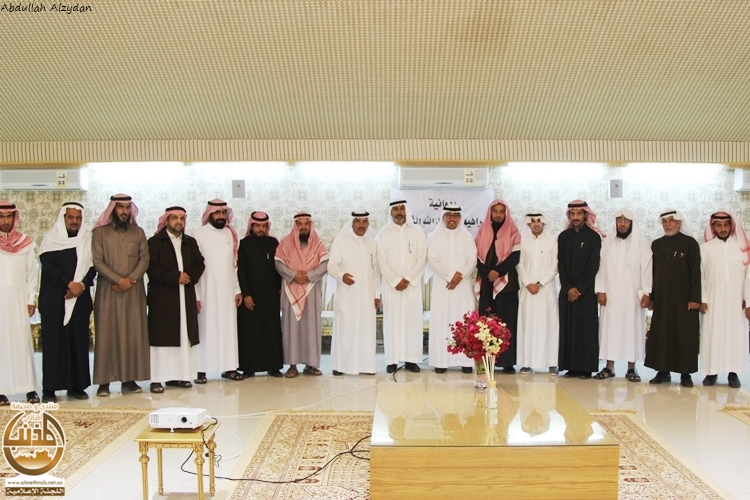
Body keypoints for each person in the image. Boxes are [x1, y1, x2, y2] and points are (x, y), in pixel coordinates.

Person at [92, 194, 150, 396]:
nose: (124, 211)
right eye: (120, 207)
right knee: (107, 335)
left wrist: (129, 280)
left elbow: (145, 259)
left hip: (133, 292)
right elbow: (97, 261)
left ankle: (129, 380)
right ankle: (104, 382)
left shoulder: (138, 232)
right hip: (109, 291)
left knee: (133, 334)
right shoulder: (100, 233)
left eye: (127, 208)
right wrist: (118, 280)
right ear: (112, 209)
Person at [38, 202, 96, 403]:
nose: (74, 221)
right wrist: (69, 284)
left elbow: (93, 267)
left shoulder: (86, 239)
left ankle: (76, 386)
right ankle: (50, 388)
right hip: (55, 299)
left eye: (78, 218)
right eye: (71, 217)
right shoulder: (51, 239)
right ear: (63, 218)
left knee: (78, 342)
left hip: (80, 298)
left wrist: (81, 285)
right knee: (54, 344)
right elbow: (48, 266)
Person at [147, 207, 205, 393]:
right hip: (163, 299)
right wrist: (175, 277)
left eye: (182, 218)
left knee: (183, 336)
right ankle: (157, 379)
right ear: (166, 220)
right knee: (162, 338)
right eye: (174, 218)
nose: (179, 222)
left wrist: (188, 276)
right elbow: (151, 268)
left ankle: (180, 376)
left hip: (185, 296)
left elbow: (200, 263)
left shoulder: (190, 242)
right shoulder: (155, 242)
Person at [594, 209, 652, 382]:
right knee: (609, 330)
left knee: (631, 331)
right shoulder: (607, 243)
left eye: (626, 220)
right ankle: (609, 367)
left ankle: (631, 368)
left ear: (632, 223)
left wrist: (646, 292)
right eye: (619, 220)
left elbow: (647, 268)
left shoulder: (642, 243)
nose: (622, 223)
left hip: (632, 296)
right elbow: (601, 268)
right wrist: (601, 290)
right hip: (611, 295)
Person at [646, 209, 701, 388]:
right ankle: (663, 372)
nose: (668, 224)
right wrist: (651, 297)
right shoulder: (656, 245)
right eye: (665, 221)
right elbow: (651, 273)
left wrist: (695, 298)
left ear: (679, 223)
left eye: (671, 220)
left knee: (685, 336)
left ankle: (686, 374)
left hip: (684, 300)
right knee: (663, 335)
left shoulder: (690, 244)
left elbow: (695, 272)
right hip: (662, 299)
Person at [376, 200, 428, 374]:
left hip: (411, 286)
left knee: (412, 322)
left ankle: (411, 360)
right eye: (395, 209)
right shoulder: (383, 234)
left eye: (401, 208)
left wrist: (408, 279)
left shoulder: (417, 232)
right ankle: (392, 360)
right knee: (392, 323)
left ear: (407, 211)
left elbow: (422, 257)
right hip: (391, 286)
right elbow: (381, 260)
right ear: (391, 212)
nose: (399, 212)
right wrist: (395, 280)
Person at [275, 212, 329, 378]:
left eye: (306, 224)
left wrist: (308, 276)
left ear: (310, 225)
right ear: (295, 225)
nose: (303, 227)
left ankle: (311, 365)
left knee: (311, 328)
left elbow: (325, 264)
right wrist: (294, 275)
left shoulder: (318, 244)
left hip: (311, 290)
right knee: (292, 329)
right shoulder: (285, 243)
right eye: (300, 224)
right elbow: (278, 263)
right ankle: (292, 365)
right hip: (291, 290)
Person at [194, 199, 242, 383]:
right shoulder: (199, 234)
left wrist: (237, 290)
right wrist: (196, 295)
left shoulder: (230, 233)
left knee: (228, 329)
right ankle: (201, 370)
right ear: (210, 214)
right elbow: (194, 266)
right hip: (206, 290)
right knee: (206, 328)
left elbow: (233, 265)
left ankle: (229, 368)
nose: (221, 216)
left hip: (227, 291)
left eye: (224, 212)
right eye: (217, 213)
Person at [327, 210, 380, 376]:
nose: (361, 225)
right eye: (358, 221)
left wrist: (377, 295)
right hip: (348, 295)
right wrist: (342, 275)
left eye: (364, 222)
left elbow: (376, 272)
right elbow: (331, 267)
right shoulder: (342, 243)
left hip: (367, 297)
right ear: (352, 223)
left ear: (368, 224)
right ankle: (341, 366)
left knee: (366, 330)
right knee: (346, 330)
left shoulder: (371, 244)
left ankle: (366, 366)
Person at [700, 212, 748, 388]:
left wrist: (748, 300)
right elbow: (700, 275)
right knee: (713, 334)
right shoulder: (706, 248)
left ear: (731, 226)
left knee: (735, 336)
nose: (722, 228)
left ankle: (733, 373)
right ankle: (711, 372)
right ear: (713, 227)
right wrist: (703, 298)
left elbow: (748, 276)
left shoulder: (741, 247)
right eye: (718, 225)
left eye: (726, 225)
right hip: (712, 301)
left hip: (737, 301)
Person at [426, 204, 476, 374]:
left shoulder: (468, 237)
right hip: (443, 286)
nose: (452, 218)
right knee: (442, 321)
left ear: (460, 218)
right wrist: (450, 276)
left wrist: (459, 277)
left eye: (455, 215)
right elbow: (432, 260)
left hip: (463, 286)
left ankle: (465, 361)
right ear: (443, 217)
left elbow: (472, 260)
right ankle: (441, 361)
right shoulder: (435, 237)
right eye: (449, 215)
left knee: (464, 320)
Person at [557, 200, 603, 379]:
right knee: (568, 329)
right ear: (569, 216)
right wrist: (568, 288)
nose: (576, 217)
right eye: (573, 214)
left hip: (586, 293)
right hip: (567, 292)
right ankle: (570, 366)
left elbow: (593, 266)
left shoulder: (594, 238)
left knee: (586, 330)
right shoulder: (563, 237)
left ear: (585, 215)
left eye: (579, 213)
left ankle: (586, 368)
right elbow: (561, 265)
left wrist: (579, 289)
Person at [0, 201, 40, 405]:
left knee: (22, 344)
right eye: (1, 217)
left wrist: (30, 299)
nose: (5, 221)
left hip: (19, 300)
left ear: (14, 218)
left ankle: (30, 389)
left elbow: (32, 273)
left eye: (9, 216)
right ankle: (1, 391)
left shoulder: (25, 242)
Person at [476, 200, 521, 373]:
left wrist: (498, 272)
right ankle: (488, 361)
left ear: (506, 214)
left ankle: (507, 362)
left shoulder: (514, 232)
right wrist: (487, 272)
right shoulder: (482, 232)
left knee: (506, 324)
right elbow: (476, 258)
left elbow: (515, 257)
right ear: (490, 213)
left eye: (502, 211)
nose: (498, 215)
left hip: (506, 286)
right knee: (487, 324)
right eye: (495, 211)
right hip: (487, 285)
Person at [237, 211, 283, 378]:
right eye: (257, 226)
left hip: (270, 295)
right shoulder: (244, 244)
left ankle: (273, 366)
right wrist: (246, 294)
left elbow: (278, 269)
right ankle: (248, 368)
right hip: (251, 295)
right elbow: (241, 271)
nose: (261, 229)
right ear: (252, 226)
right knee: (249, 331)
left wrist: (279, 291)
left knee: (271, 330)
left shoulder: (273, 243)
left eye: (264, 226)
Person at [516, 212, 559, 375]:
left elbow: (555, 265)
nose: (536, 224)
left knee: (549, 324)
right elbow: (519, 264)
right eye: (532, 221)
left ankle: (552, 362)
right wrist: (528, 283)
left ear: (544, 223)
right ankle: (527, 362)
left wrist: (540, 283)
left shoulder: (552, 240)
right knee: (528, 324)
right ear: (528, 223)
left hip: (546, 289)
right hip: (528, 290)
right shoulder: (523, 240)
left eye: (539, 221)